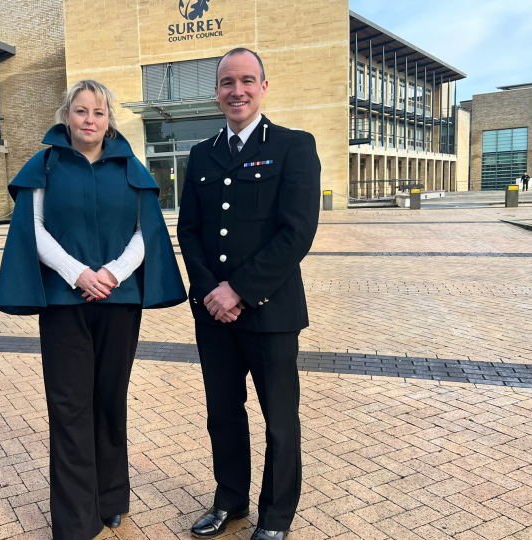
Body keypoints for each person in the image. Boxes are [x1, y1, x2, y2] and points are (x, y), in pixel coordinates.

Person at [0, 80, 186, 540]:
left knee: (108, 400)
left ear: (108, 119)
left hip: (118, 302)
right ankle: (77, 519)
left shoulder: (129, 166)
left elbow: (147, 231)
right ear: (66, 115)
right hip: (64, 302)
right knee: (68, 405)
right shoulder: (44, 164)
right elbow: (33, 229)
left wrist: (113, 274)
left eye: (98, 113)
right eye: (80, 111)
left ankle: (112, 497)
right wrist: (78, 273)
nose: (89, 120)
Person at [177, 48, 320, 540]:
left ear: (263, 86)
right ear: (216, 91)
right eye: (226, 82)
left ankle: (276, 517)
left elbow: (296, 233)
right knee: (223, 414)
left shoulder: (293, 146)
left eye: (246, 80)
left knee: (279, 420)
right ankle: (230, 501)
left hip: (270, 311)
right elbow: (190, 232)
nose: (236, 90)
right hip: (214, 316)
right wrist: (212, 294)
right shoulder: (200, 155)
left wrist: (237, 290)